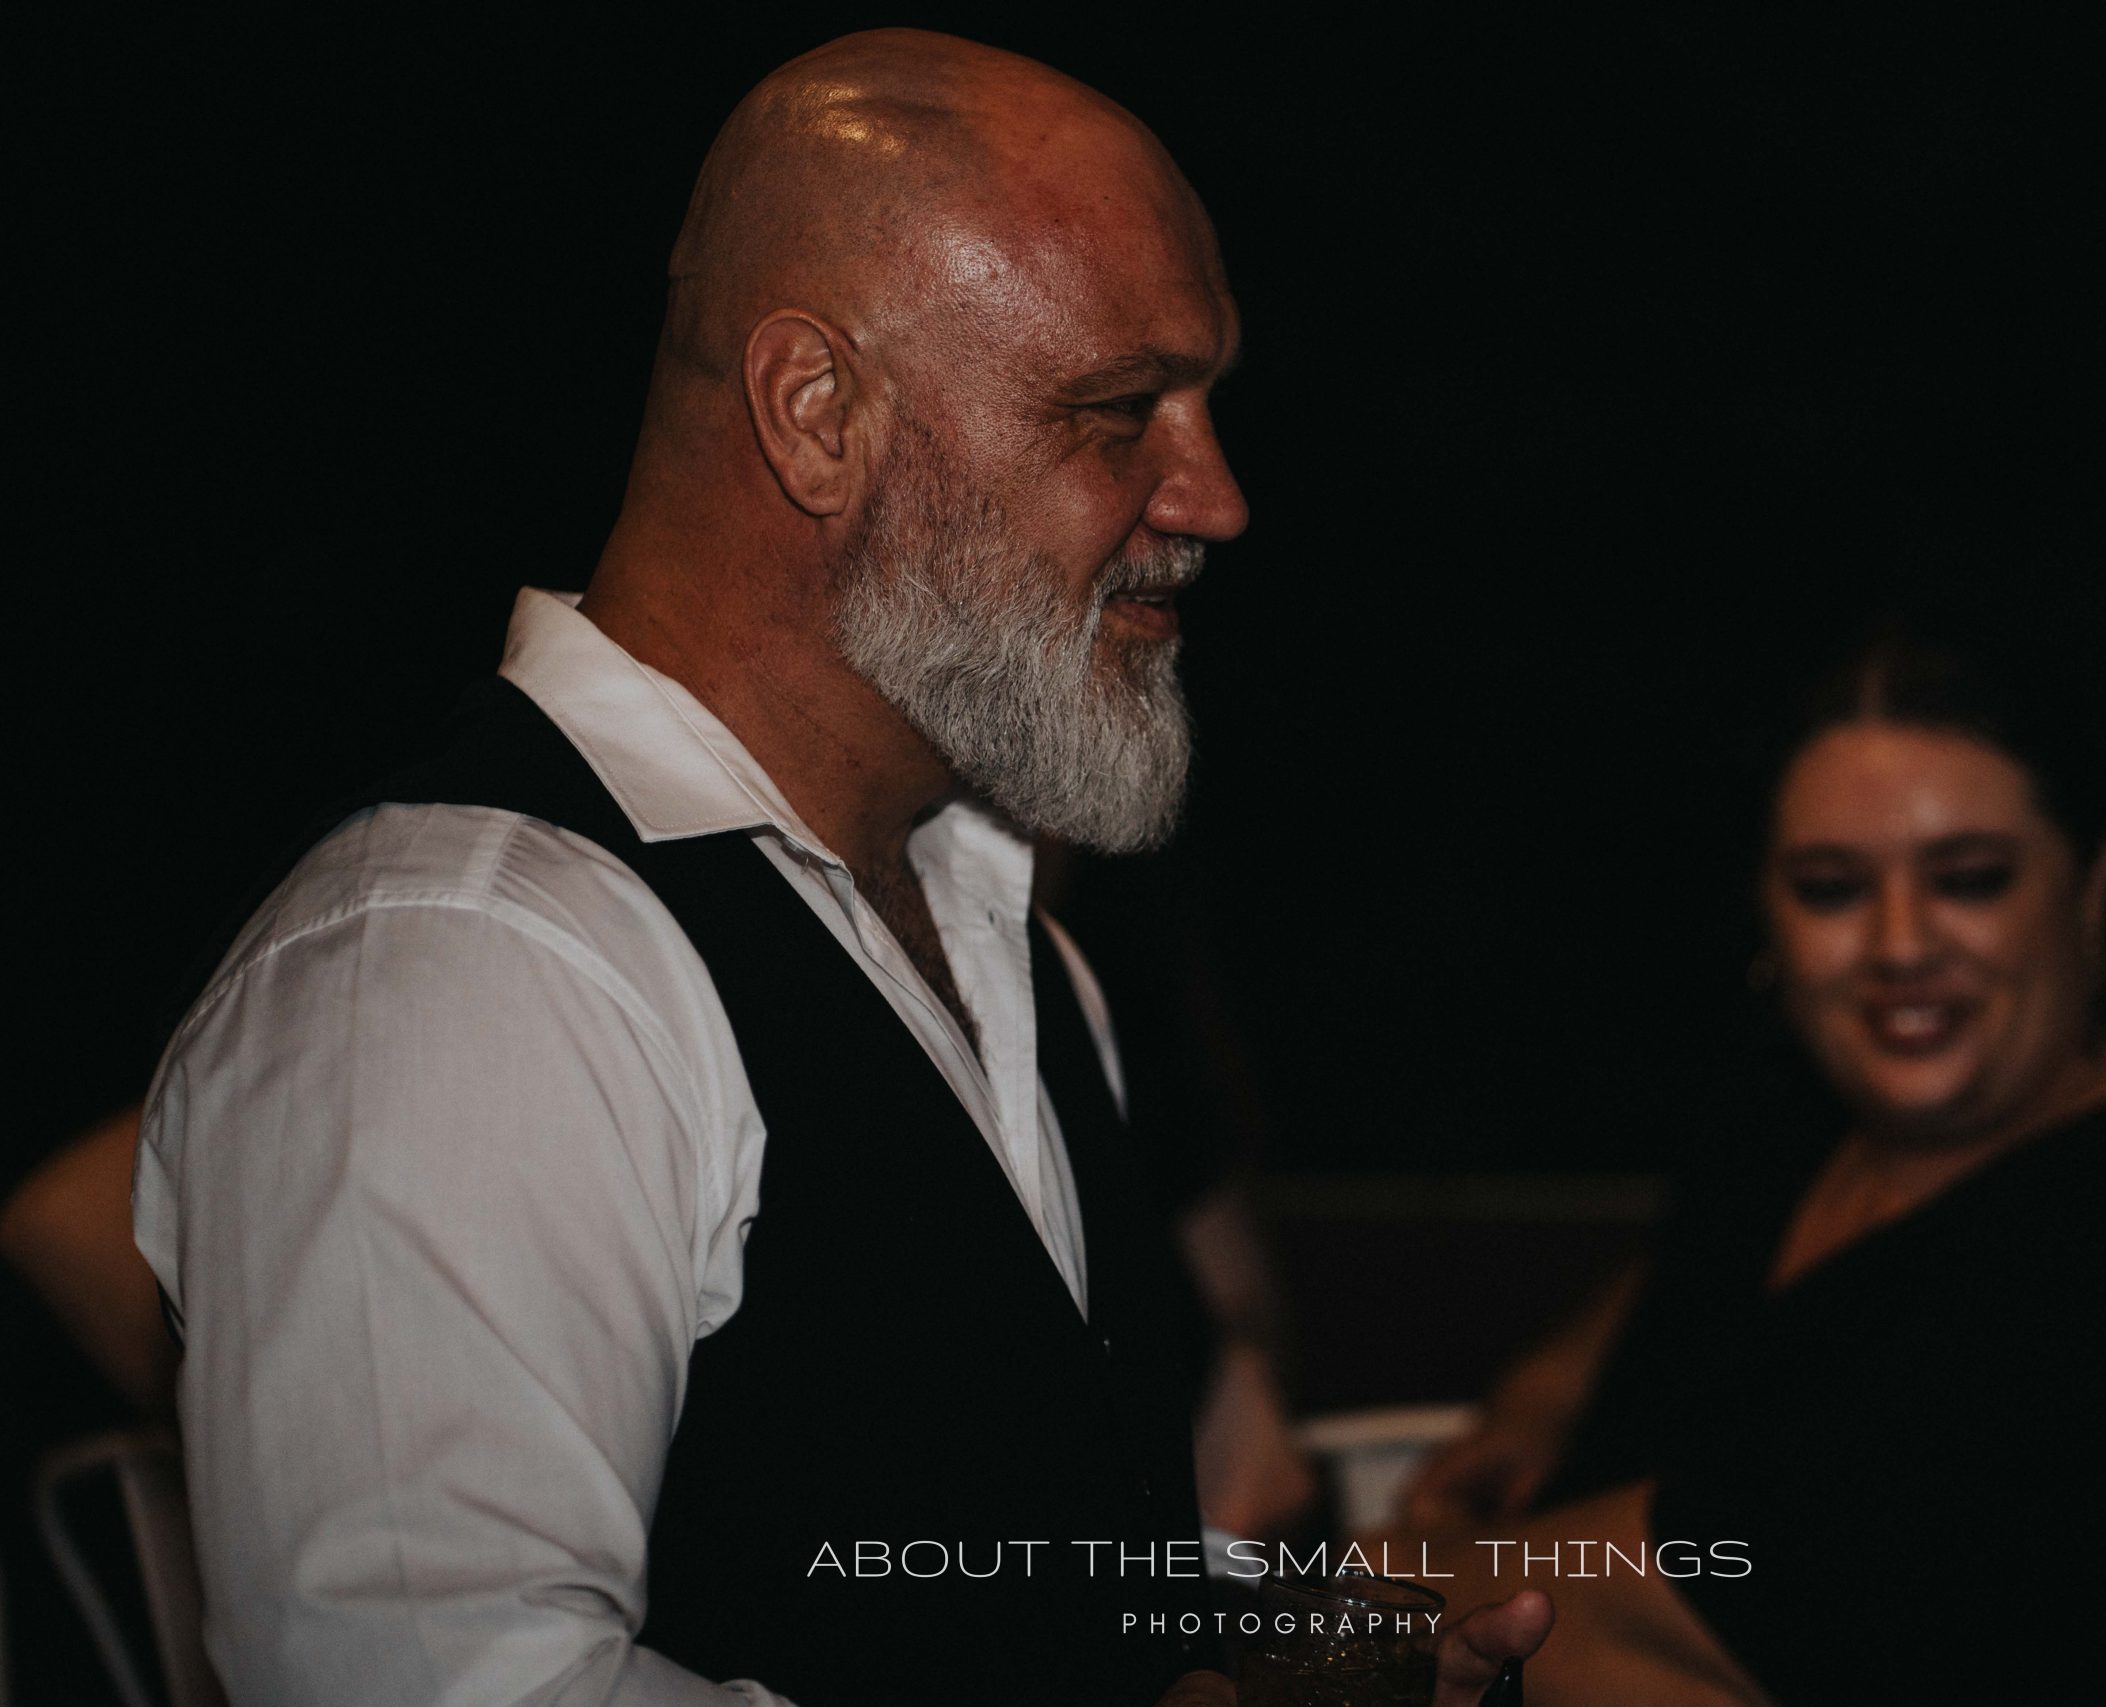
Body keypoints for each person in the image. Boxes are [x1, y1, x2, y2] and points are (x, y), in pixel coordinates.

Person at [134, 31, 1543, 1707]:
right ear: (818, 415)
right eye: (1119, 411)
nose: (1215, 496)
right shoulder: (467, 970)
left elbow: (984, 1555)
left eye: (1205, 403)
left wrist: (1279, 1655)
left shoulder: (1008, 939)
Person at [1398, 624, 2106, 1704]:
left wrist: (1339, 1593)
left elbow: (1679, 1605)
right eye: (1831, 888)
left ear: (2094, 877)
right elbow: (1714, 1289)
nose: (1900, 945)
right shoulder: (1802, 1113)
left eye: (1970, 879)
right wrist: (1543, 1400)